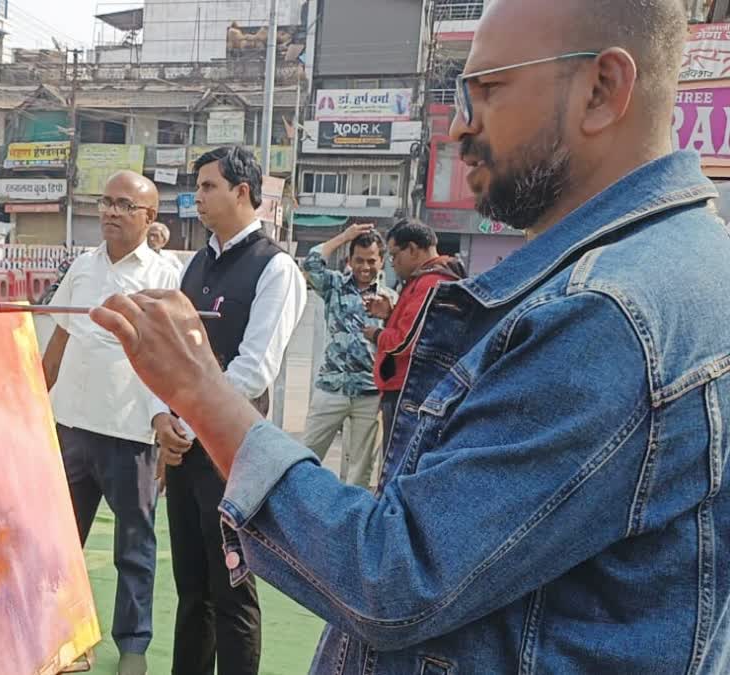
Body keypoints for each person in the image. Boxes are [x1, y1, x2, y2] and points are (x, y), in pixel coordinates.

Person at [89, 1, 730, 672]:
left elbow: (396, 575)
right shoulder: (668, 267)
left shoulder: (608, 313)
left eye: (488, 90)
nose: (459, 126)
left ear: (601, 91)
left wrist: (198, 389)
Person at [149, 146, 306, 675]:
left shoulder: (276, 268)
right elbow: (171, 351)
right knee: (192, 590)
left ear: (243, 192)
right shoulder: (196, 263)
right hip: (185, 452)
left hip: (232, 458)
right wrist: (162, 418)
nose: (197, 197)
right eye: (197, 187)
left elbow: (254, 369)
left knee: (232, 594)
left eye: (209, 186)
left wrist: (186, 420)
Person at [40, 171, 180, 675]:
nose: (112, 213)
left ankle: (133, 648)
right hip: (72, 427)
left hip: (131, 432)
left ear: (149, 217)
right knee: (60, 542)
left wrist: (166, 423)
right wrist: (35, 401)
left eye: (125, 205)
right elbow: (58, 341)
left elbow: (171, 361)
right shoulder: (81, 265)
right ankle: (63, 639)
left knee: (134, 546)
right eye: (106, 202)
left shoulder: (165, 277)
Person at [301, 222, 397, 486]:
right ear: (349, 260)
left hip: (369, 393)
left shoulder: (391, 299)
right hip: (331, 388)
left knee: (362, 472)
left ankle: (353, 523)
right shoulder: (334, 286)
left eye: (371, 261)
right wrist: (344, 236)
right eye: (358, 260)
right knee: (304, 457)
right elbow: (310, 264)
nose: (365, 268)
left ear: (382, 260)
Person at [362, 220, 465, 451]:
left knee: (397, 462)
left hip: (408, 389)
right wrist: (390, 314)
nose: (393, 263)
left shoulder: (431, 282)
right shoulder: (424, 279)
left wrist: (376, 334)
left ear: (412, 249)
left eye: (394, 255)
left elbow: (405, 341)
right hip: (409, 387)